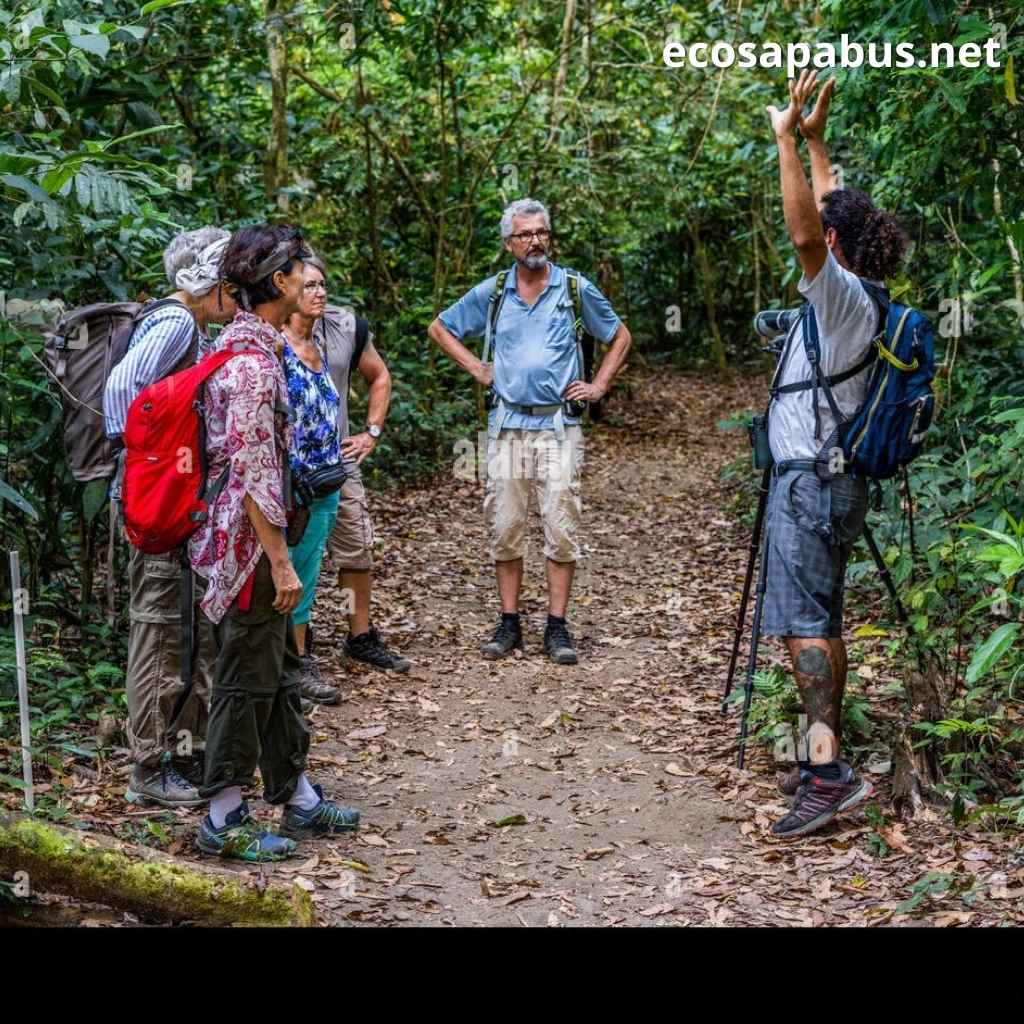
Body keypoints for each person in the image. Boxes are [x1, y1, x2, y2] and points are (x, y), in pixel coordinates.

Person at [763, 71, 909, 838]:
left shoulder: (841, 295)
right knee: (818, 619)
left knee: (803, 627)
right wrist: (818, 142)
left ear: (839, 247)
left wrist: (785, 138)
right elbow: (828, 216)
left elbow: (803, 233)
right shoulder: (862, 289)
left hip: (809, 488)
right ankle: (826, 761)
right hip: (827, 484)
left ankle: (827, 774)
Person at [190, 223, 359, 862]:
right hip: (250, 550)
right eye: (298, 267)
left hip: (253, 541)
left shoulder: (240, 345)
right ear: (279, 283)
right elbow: (255, 474)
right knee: (244, 676)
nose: (309, 274)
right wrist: (283, 563)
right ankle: (223, 814)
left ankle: (298, 796)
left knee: (281, 669)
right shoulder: (256, 366)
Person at [428, 198, 631, 664]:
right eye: (525, 234)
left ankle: (557, 627)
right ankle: (509, 622)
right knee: (505, 523)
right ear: (509, 244)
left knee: (561, 524)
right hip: (507, 423)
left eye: (541, 232)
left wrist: (598, 385)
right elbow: (440, 328)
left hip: (560, 423)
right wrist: (478, 368)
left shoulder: (574, 287)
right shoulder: (495, 292)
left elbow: (619, 336)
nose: (535, 240)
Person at [104, 226, 236, 807]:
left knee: (188, 629)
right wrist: (146, 463)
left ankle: (183, 751)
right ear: (207, 281)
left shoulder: (193, 326)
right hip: (155, 503)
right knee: (159, 629)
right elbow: (123, 389)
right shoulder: (177, 322)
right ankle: (148, 767)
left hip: (180, 503)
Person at [306, 258, 410, 674]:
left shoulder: (345, 326)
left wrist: (371, 432)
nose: (319, 291)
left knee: (355, 547)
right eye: (308, 283)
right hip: (288, 464)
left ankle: (359, 636)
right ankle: (298, 644)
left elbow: (379, 376)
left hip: (340, 459)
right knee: (300, 554)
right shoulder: (268, 329)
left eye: (322, 283)